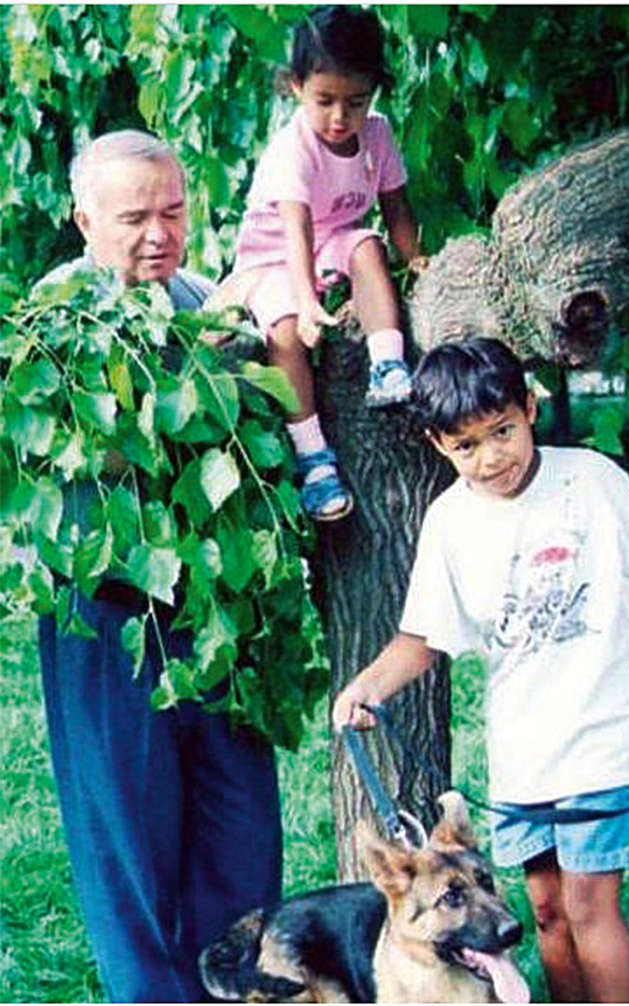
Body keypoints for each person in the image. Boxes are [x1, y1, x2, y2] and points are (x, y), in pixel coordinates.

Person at [332, 337, 629, 1003]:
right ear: (436, 444)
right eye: (467, 445)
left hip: (606, 739)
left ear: (529, 408)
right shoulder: (450, 521)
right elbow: (422, 638)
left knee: (591, 907)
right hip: (526, 756)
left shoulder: (587, 480)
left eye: (502, 432)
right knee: (545, 915)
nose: (491, 457)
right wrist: (366, 687)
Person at [34, 130, 282, 1003]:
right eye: (133, 216)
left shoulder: (207, 299)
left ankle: (240, 984)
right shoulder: (55, 319)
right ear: (85, 220)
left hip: (216, 603)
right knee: (129, 828)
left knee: (240, 820)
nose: (157, 233)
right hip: (108, 610)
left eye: (173, 211)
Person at [209, 5, 426, 522]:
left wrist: (415, 258)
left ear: (375, 92)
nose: (339, 117)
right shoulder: (294, 150)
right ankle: (314, 458)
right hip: (271, 260)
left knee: (367, 246)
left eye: (356, 102)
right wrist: (306, 304)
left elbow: (396, 206)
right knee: (284, 330)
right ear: (295, 86)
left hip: (332, 241)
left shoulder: (377, 135)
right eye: (324, 100)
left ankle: (388, 364)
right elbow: (295, 231)